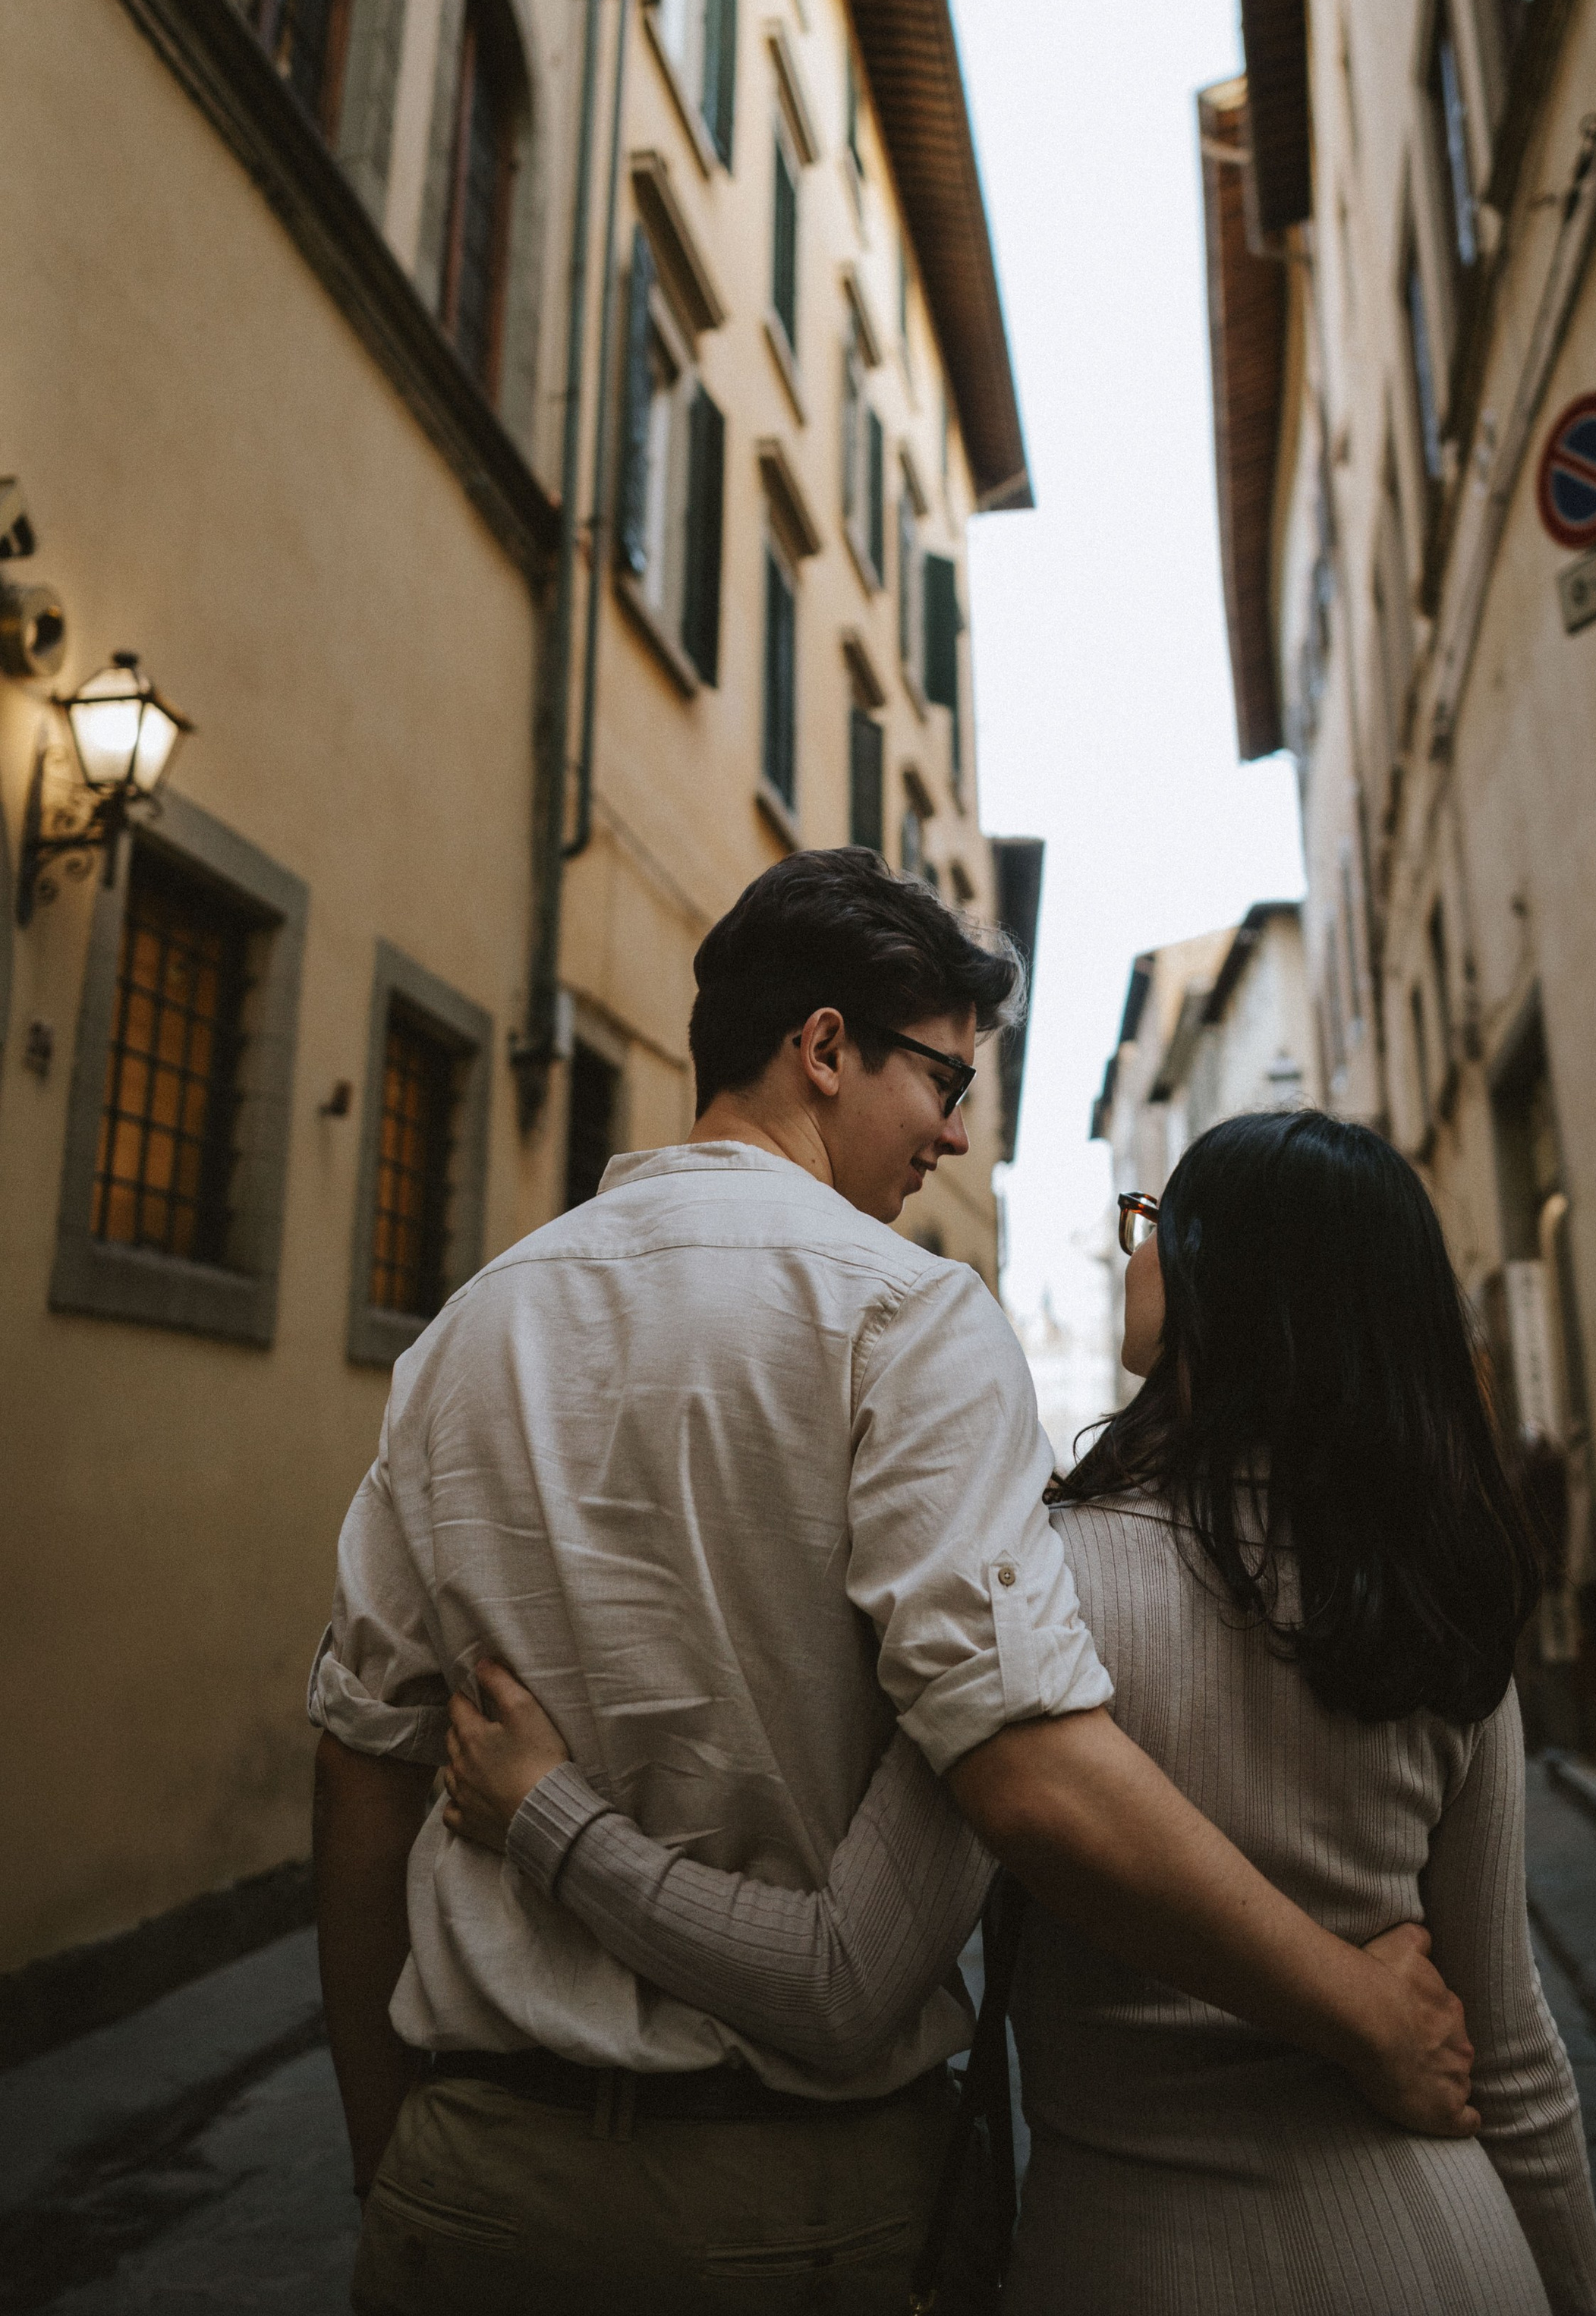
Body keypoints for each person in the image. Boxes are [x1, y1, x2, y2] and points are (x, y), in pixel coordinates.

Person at [312, 857, 1477, 2315]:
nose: (954, 1130)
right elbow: (1027, 1776)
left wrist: (386, 2152)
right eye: (942, 1076)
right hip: (795, 2201)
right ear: (820, 1046)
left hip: (467, 2178)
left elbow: (362, 1766)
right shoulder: (909, 1316)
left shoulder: (464, 1335)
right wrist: (1361, 2007)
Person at [443, 1108, 1596, 2315]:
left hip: (1146, 2260)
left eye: (1155, 1219)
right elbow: (1518, 2064)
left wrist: (550, 1815)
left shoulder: (1040, 1588)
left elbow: (843, 1983)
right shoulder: (1435, 1593)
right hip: (1458, 2255)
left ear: (1232, 1276)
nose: (1134, 1246)